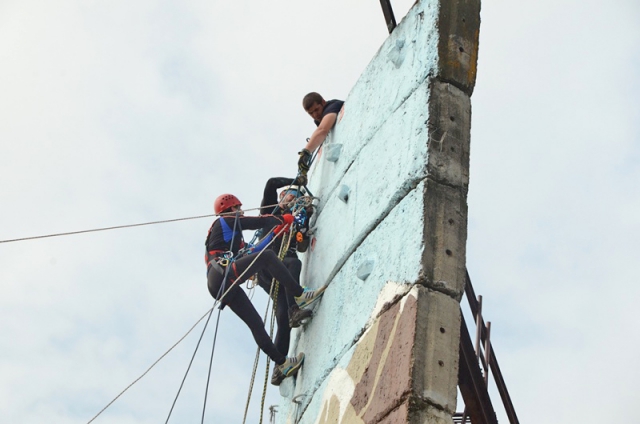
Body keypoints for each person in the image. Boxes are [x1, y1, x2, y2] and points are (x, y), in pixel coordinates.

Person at [205, 193, 325, 384]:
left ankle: (282, 363)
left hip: (218, 281)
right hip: (222, 273)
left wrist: (277, 230)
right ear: (231, 208)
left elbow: (254, 250)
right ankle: (299, 295)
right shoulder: (227, 220)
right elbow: (258, 222)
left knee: (256, 323)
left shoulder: (232, 235)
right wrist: (282, 218)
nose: (241, 211)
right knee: (269, 257)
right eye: (239, 208)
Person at [255, 177, 315, 384]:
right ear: (281, 196)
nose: (292, 199)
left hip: (279, 274)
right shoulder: (269, 212)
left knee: (282, 320)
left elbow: (302, 246)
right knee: (294, 265)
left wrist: (305, 218)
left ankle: (279, 368)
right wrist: (295, 181)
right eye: (289, 195)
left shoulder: (296, 221)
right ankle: (294, 310)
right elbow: (270, 182)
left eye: (296, 197)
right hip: (268, 265)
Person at [298, 92, 345, 176]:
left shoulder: (331, 106)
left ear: (323, 102)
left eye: (316, 109)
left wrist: (305, 153)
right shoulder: (318, 120)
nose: (315, 115)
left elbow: (322, 130)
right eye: (311, 113)